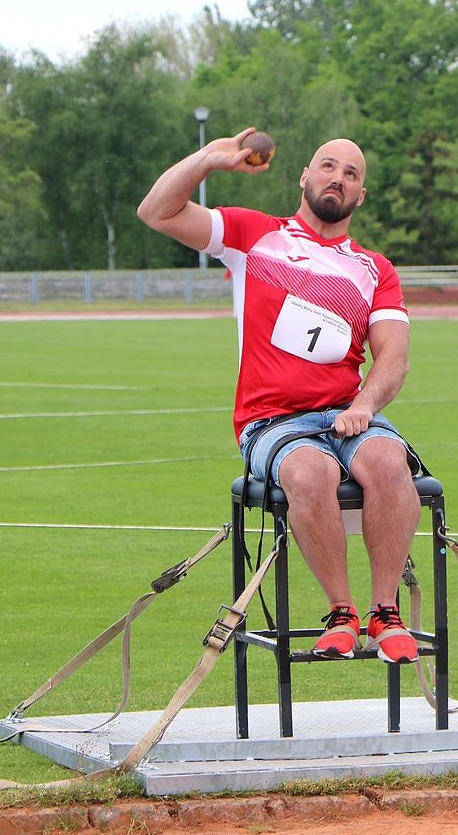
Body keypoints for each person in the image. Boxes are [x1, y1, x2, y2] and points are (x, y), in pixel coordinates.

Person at [137, 129, 421, 664]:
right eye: (328, 166)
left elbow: (393, 358)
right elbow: (157, 211)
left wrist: (364, 407)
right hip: (273, 422)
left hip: (349, 416)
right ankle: (342, 612)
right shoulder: (254, 235)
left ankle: (386, 613)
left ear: (360, 196)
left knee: (389, 459)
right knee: (309, 473)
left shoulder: (374, 270)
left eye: (351, 174)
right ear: (305, 177)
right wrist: (207, 160)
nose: (337, 177)